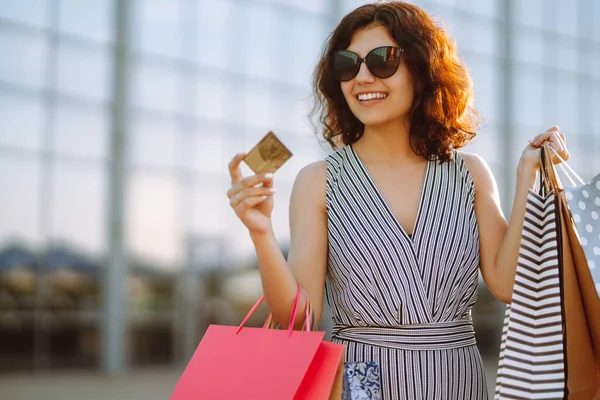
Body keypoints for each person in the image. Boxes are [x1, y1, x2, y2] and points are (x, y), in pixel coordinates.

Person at [226, 2, 569, 399]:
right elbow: (301, 319)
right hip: (362, 381)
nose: (363, 77)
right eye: (347, 64)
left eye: (382, 60)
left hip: (457, 379)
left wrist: (527, 178)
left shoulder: (469, 173)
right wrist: (261, 233)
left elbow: (508, 285)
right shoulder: (318, 181)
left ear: (423, 70)